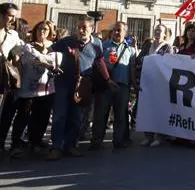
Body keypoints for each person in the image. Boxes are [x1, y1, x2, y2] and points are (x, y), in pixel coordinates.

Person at [48, 16, 110, 160]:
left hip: (83, 86)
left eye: (84, 27)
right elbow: (50, 52)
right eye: (79, 27)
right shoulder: (66, 41)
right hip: (63, 83)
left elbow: (100, 62)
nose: (81, 30)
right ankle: (56, 147)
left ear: (92, 29)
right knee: (60, 116)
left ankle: (71, 145)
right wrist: (52, 64)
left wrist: (108, 79)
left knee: (76, 117)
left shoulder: (97, 44)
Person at [10, 21, 58, 157]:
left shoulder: (54, 48)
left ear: (50, 32)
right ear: (35, 31)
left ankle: (35, 141)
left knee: (42, 117)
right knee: (23, 116)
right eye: (40, 29)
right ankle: (16, 143)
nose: (42, 31)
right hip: (27, 88)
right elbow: (14, 56)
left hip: (47, 88)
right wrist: (17, 63)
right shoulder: (27, 47)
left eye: (45, 29)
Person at [90, 21, 137, 151]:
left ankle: (119, 140)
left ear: (125, 32)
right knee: (100, 114)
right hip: (105, 86)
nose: (116, 32)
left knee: (121, 115)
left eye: (119, 30)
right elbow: (97, 64)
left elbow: (132, 68)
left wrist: (134, 85)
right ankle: (96, 141)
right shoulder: (103, 46)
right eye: (115, 30)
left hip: (122, 86)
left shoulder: (131, 49)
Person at [139, 24, 172, 147]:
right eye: (156, 30)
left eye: (160, 31)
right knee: (147, 109)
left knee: (158, 109)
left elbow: (168, 62)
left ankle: (159, 136)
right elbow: (140, 58)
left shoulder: (168, 47)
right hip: (147, 80)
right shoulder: (148, 45)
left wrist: (153, 59)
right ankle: (148, 136)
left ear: (165, 33)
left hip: (160, 83)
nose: (157, 32)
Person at [0, 2, 24, 154]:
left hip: (2, 79)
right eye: (10, 16)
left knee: (4, 112)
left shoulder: (13, 35)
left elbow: (24, 50)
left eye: (14, 17)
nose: (13, 20)